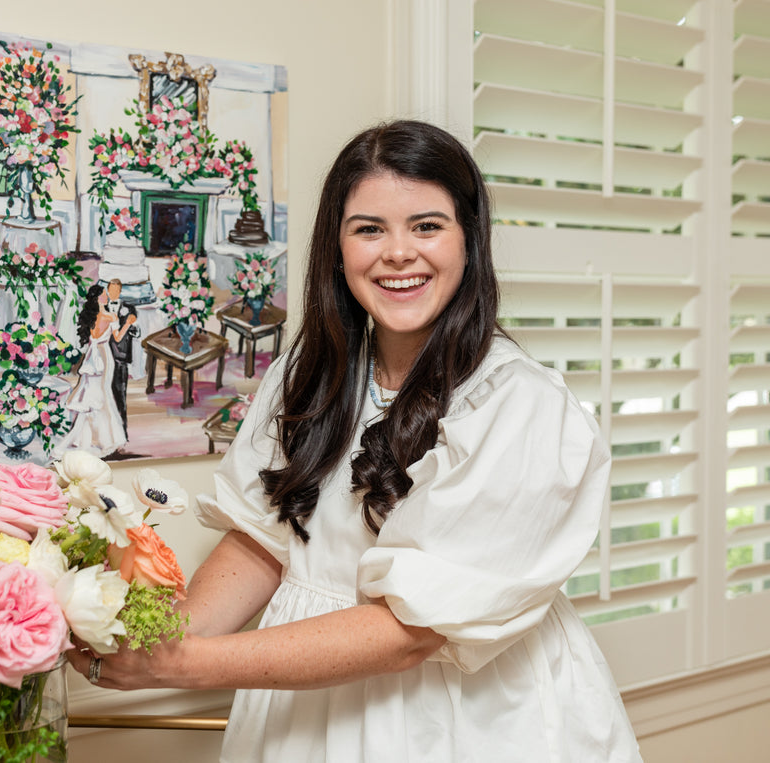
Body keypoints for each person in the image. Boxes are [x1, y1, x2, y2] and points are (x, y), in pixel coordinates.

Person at [68, 120, 643, 762]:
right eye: (369, 229)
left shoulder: (520, 405)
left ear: (469, 241)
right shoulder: (307, 372)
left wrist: (182, 665)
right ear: (337, 250)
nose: (398, 253)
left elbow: (410, 634)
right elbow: (264, 537)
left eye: (427, 226)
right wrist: (159, 637)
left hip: (461, 719)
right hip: (305, 706)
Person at [59, 283, 128, 457]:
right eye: (104, 294)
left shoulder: (90, 317)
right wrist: (128, 323)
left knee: (91, 394)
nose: (106, 296)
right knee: (103, 395)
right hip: (104, 355)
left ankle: (88, 437)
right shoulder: (111, 316)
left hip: (91, 357)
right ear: (99, 298)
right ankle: (107, 439)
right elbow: (118, 338)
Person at [106, 278, 138, 440]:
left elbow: (135, 332)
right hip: (104, 357)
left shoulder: (129, 309)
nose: (113, 293)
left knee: (120, 395)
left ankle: (122, 431)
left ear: (120, 292)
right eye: (111, 290)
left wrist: (131, 326)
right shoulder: (101, 308)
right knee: (106, 396)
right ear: (107, 291)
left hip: (120, 358)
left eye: (116, 291)